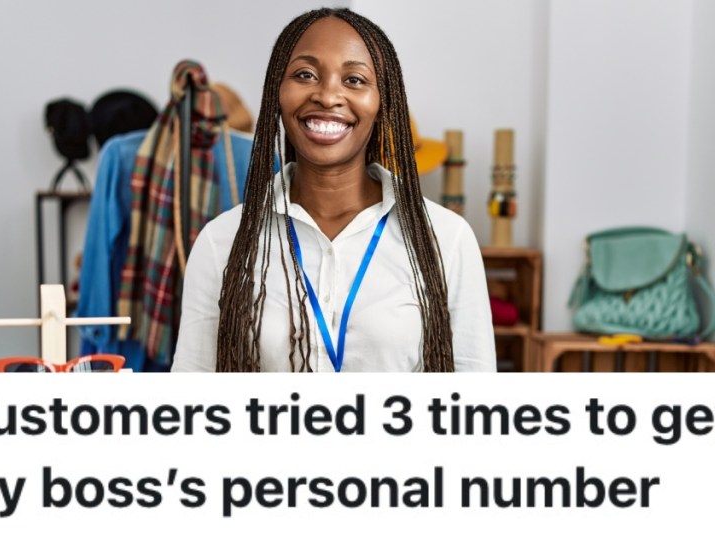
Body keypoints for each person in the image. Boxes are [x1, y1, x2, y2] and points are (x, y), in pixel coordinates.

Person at [172, 8, 494, 372]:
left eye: (355, 79)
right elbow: (193, 399)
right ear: (277, 93)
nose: (327, 96)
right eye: (305, 74)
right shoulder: (222, 242)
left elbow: (473, 401)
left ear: (382, 101)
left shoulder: (446, 239)